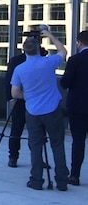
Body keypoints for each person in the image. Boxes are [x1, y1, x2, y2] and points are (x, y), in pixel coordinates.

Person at [11, 30, 69, 191]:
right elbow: (63, 51)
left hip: (32, 111)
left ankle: (36, 180)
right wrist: (50, 36)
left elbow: (14, 93)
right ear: (38, 49)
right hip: (52, 110)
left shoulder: (20, 69)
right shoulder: (48, 62)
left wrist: (28, 96)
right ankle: (62, 181)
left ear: (24, 50)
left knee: (35, 146)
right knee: (57, 144)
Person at [4, 39, 47, 167]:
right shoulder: (16, 61)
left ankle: (38, 158)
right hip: (20, 100)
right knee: (16, 130)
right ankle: (13, 157)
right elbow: (8, 81)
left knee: (38, 131)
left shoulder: (42, 60)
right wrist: (11, 98)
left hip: (36, 100)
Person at [62, 29, 88, 186]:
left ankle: (75, 175)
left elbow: (65, 83)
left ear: (80, 42)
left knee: (78, 141)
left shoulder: (75, 60)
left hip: (78, 107)